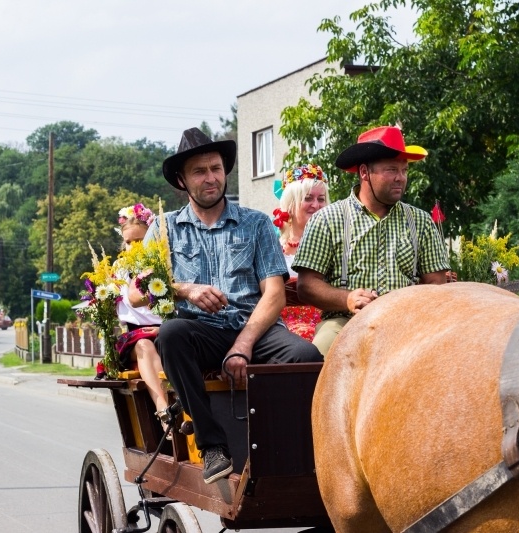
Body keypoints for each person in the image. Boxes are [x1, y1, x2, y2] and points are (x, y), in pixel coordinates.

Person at [130, 127, 322, 484]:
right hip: (199, 334)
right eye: (200, 171)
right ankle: (213, 446)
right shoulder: (164, 228)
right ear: (182, 181)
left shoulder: (256, 224)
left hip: (254, 329)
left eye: (216, 169)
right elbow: (135, 293)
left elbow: (275, 295)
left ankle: (297, 449)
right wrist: (184, 289)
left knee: (307, 356)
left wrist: (243, 345)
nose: (211, 178)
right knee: (171, 335)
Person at [293, 125, 451, 356]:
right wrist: (347, 298)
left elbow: (436, 284)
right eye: (391, 170)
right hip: (343, 322)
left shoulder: (420, 220)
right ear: (365, 172)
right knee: (316, 357)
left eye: (404, 170)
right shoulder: (327, 219)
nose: (400, 178)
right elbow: (306, 286)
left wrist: (410, 309)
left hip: (409, 323)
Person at [113, 203, 170, 419]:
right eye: (129, 242)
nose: (134, 246)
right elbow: (129, 301)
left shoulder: (164, 264)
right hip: (135, 337)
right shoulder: (120, 271)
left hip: (166, 331)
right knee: (145, 345)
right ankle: (162, 407)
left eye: (140, 240)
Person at [273, 163, 328, 340]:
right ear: (290, 204)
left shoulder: (336, 244)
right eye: (308, 198)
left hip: (327, 320)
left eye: (321, 199)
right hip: (281, 323)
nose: (316, 205)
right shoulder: (273, 245)